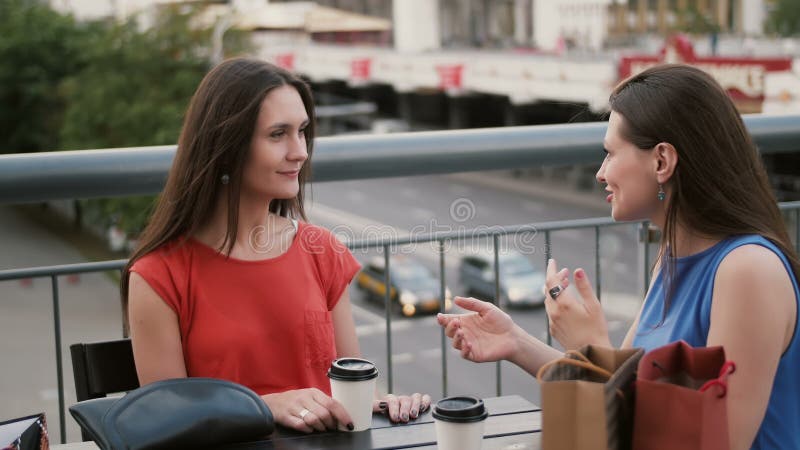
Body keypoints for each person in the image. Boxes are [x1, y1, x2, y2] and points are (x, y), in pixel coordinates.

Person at [437, 64, 799, 450]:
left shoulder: (748, 271)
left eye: (610, 154)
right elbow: (631, 395)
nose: (600, 173)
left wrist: (590, 347)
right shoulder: (673, 258)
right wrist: (516, 342)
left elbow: (712, 443)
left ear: (662, 161)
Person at [122, 58, 430, 433]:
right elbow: (165, 422)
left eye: (302, 131)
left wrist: (384, 404)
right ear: (227, 146)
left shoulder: (321, 249)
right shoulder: (159, 276)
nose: (299, 150)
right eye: (277, 134)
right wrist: (263, 406)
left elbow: (347, 388)